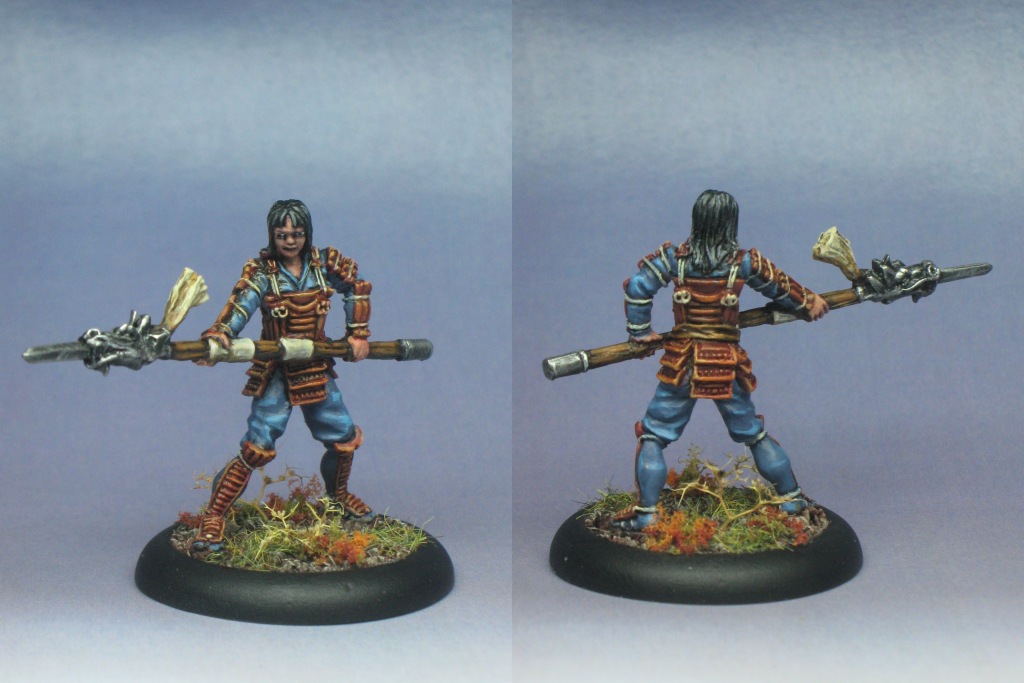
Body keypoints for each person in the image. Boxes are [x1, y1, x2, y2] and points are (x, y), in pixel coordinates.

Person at [615, 189, 829, 530]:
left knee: (653, 436)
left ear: (696, 220)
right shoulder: (744, 263)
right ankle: (791, 498)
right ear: (732, 223)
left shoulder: (673, 259)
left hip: (682, 364)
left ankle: (647, 515)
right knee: (754, 434)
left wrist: (640, 332)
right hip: (724, 364)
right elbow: (782, 289)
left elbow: (637, 286)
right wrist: (809, 302)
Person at [190, 199, 373, 551]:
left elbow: (357, 286)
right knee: (256, 449)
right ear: (272, 236)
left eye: (297, 234)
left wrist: (357, 332)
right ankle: (214, 515)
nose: (290, 241)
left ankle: (338, 497)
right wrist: (220, 335)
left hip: (316, 366)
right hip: (277, 370)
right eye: (282, 235)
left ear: (307, 234)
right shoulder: (263, 273)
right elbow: (240, 304)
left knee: (343, 437)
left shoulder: (323, 266)